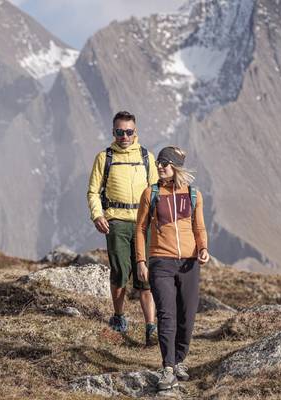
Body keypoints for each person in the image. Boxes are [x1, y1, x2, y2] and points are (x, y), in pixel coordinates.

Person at [134, 146, 210, 390]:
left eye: (164, 164)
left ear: (175, 166)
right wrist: (141, 261)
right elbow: (140, 229)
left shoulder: (194, 195)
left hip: (188, 262)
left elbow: (199, 227)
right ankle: (167, 368)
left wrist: (203, 248)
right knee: (167, 314)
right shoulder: (151, 193)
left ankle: (179, 361)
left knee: (187, 316)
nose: (159, 167)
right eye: (158, 163)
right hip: (160, 262)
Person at [87, 110, 159, 346]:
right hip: (116, 222)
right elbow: (93, 192)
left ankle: (151, 328)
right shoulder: (104, 158)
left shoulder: (147, 158)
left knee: (146, 276)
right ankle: (119, 317)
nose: (124, 136)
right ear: (113, 132)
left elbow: (156, 192)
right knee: (119, 272)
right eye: (120, 132)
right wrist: (97, 215)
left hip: (144, 222)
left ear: (135, 131)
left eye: (129, 132)